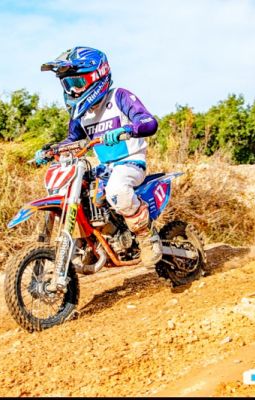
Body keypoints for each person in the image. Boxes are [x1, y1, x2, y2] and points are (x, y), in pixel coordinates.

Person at [36, 46, 160, 267]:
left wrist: (127, 130)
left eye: (76, 82)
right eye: (67, 84)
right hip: (105, 168)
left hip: (130, 162)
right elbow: (72, 140)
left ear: (96, 76)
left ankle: (147, 237)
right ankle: (94, 240)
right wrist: (50, 150)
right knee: (79, 192)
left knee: (116, 190)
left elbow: (148, 122)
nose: (73, 90)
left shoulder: (119, 97)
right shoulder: (81, 114)